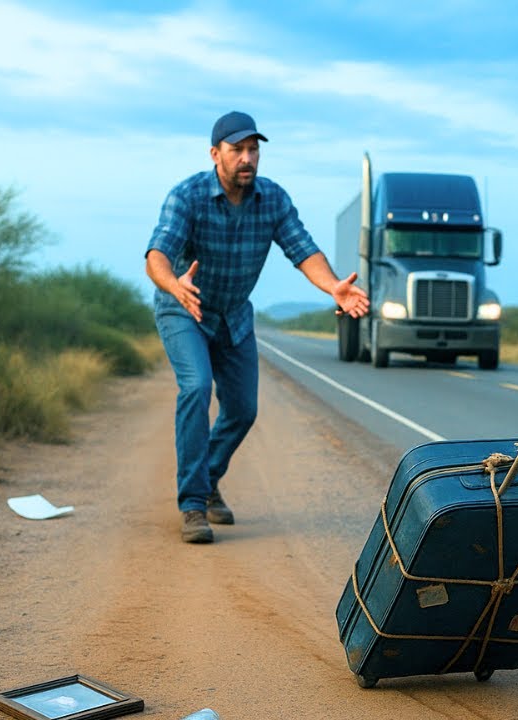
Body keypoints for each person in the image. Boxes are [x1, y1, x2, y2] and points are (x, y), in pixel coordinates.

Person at [145, 111, 370, 544]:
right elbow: (157, 254)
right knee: (196, 387)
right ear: (216, 154)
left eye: (254, 150)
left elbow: (302, 249)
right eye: (237, 150)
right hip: (184, 307)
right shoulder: (187, 196)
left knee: (244, 409)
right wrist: (174, 283)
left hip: (233, 315)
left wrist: (333, 289)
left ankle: (208, 478)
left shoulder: (273, 199)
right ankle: (193, 505)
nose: (247, 158)